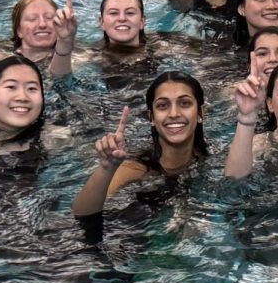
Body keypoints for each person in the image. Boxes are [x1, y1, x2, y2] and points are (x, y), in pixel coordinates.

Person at [72, 72, 209, 216]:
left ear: (200, 113)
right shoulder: (138, 168)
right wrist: (107, 167)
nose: (174, 114)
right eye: (162, 105)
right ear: (152, 118)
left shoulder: (214, 155)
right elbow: (82, 213)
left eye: (185, 103)